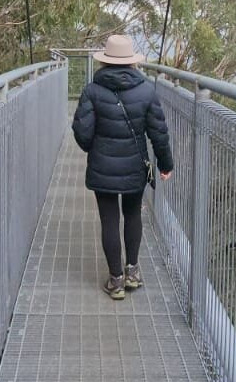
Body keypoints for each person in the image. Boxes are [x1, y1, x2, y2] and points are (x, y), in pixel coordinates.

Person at [71, 35, 174, 300]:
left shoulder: (92, 90)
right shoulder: (147, 91)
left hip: (102, 166)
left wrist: (94, 148)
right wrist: (165, 164)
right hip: (135, 167)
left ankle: (115, 281)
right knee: (132, 215)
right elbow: (158, 134)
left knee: (109, 220)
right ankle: (133, 273)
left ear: (105, 61)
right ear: (132, 62)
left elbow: (82, 133)